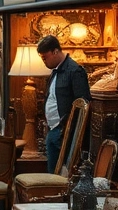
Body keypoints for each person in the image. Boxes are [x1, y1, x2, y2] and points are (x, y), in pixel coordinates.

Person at [37, 35, 91, 172]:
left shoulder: (74, 71)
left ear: (55, 52)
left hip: (65, 132)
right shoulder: (55, 71)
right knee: (53, 172)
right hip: (54, 129)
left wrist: (69, 131)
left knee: (60, 173)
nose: (44, 61)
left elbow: (83, 105)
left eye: (45, 57)